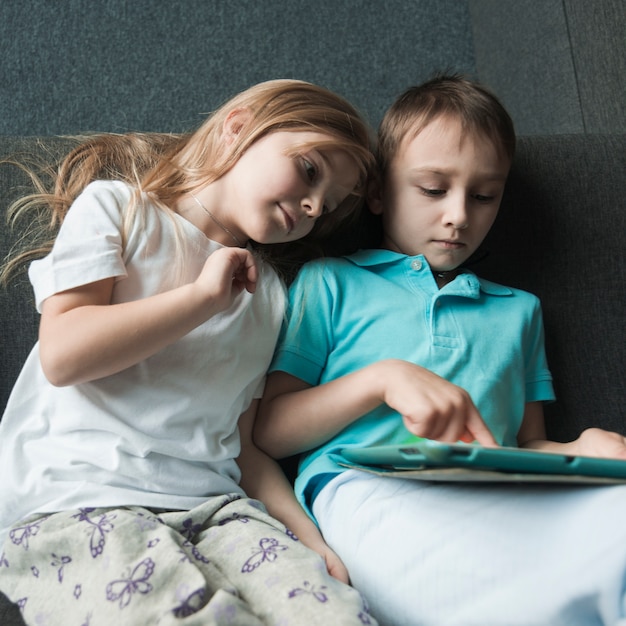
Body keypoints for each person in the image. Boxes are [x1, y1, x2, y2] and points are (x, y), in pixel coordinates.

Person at [0, 79, 379, 626]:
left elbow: (244, 449)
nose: (314, 205)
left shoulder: (268, 295)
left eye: (329, 205)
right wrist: (201, 298)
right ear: (237, 128)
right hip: (80, 498)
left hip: (217, 511)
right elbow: (63, 354)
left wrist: (309, 540)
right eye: (310, 170)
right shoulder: (118, 209)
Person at [255, 74, 626, 626]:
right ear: (378, 192)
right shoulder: (331, 282)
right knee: (495, 596)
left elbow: (526, 444)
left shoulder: (519, 311)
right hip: (366, 487)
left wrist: (584, 447)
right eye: (433, 189)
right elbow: (269, 430)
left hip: (505, 492)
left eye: (484, 196)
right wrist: (379, 379)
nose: (459, 215)